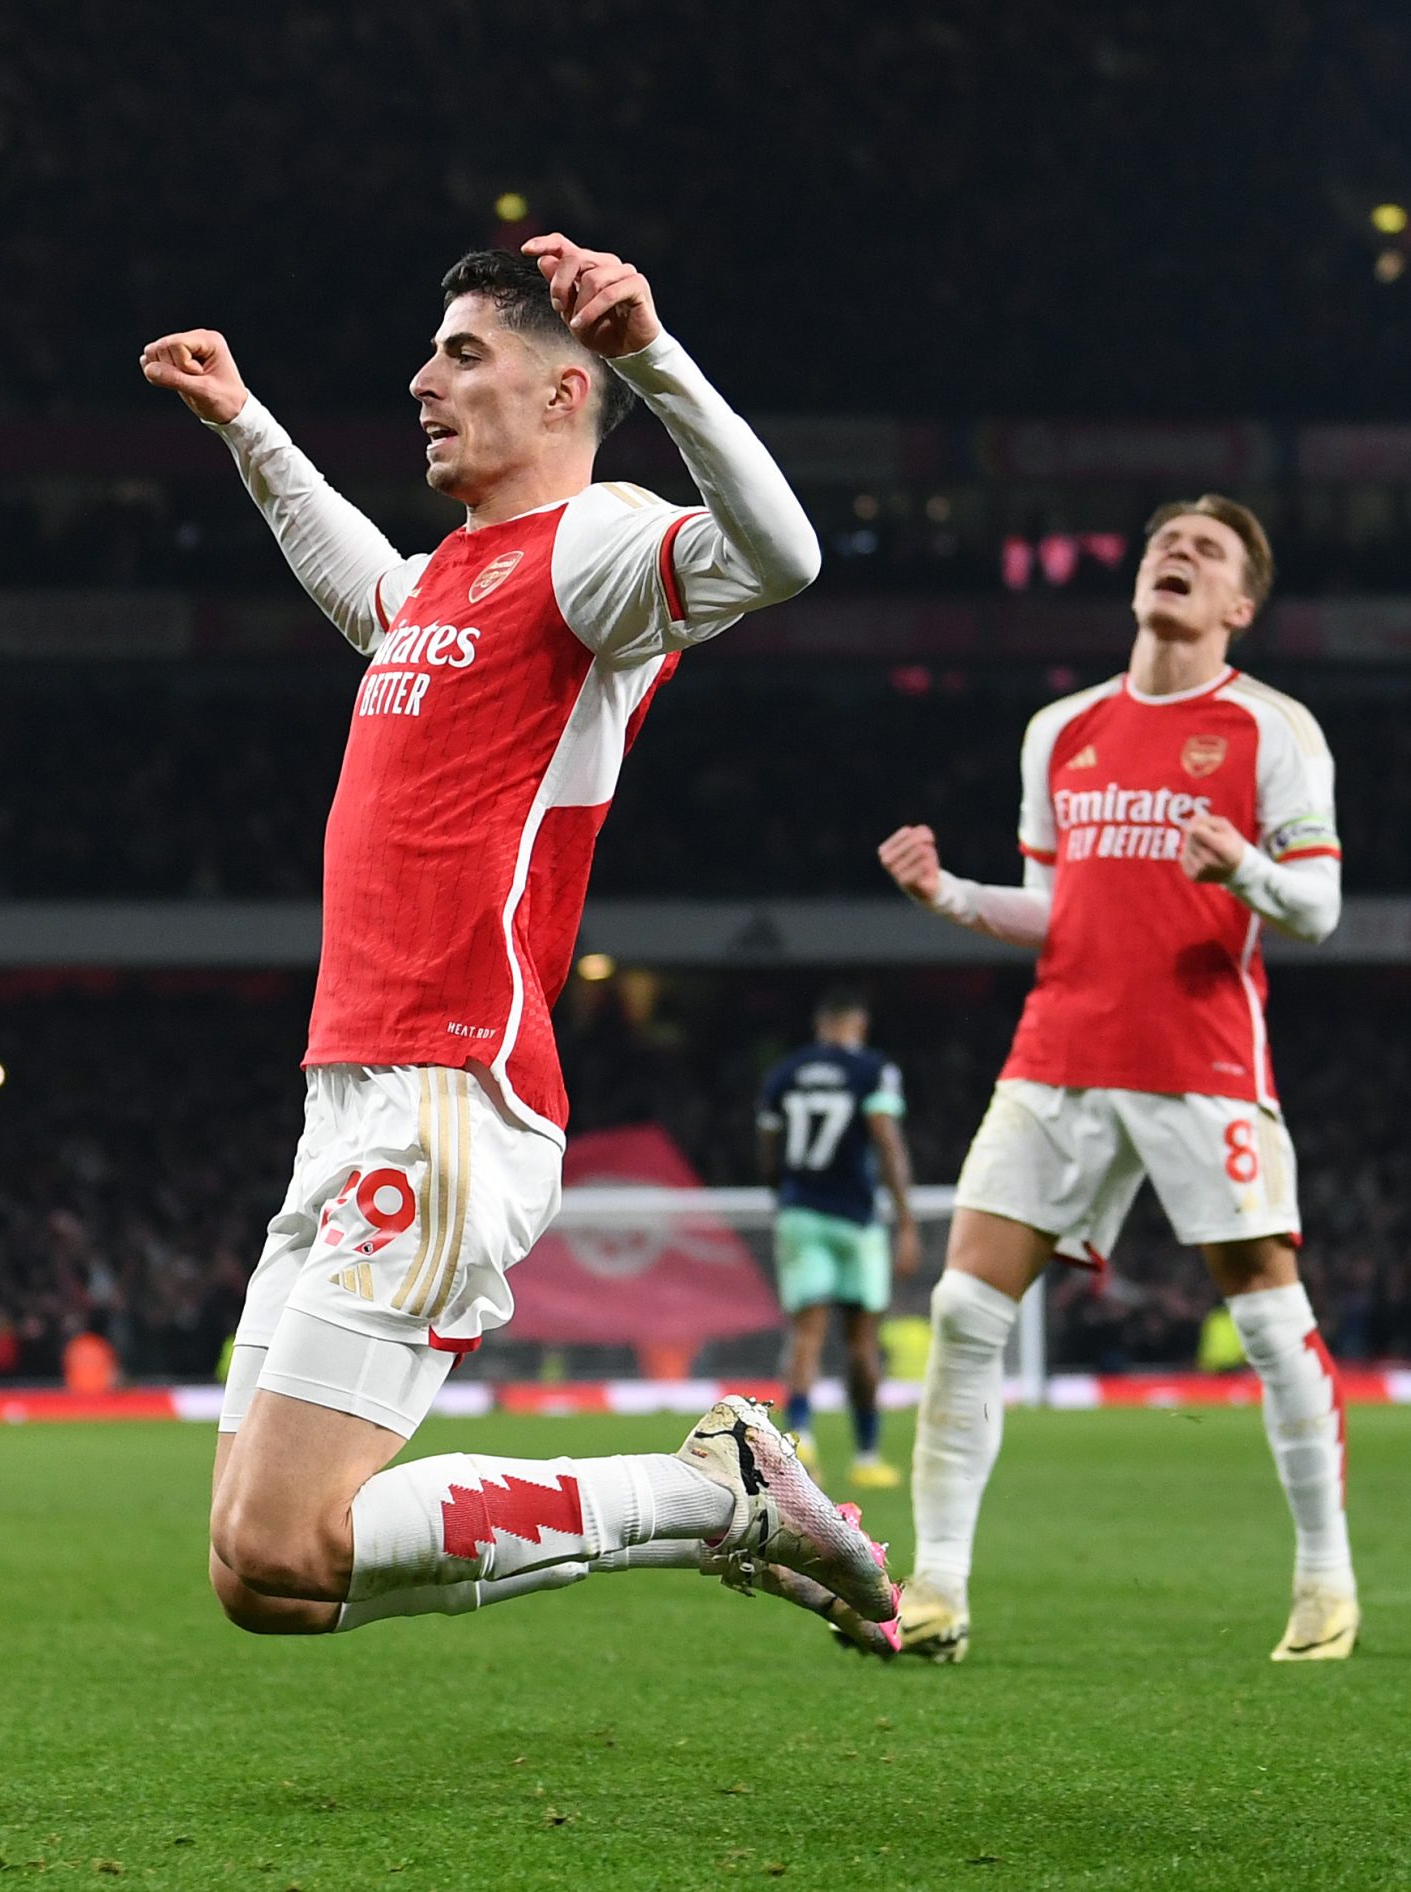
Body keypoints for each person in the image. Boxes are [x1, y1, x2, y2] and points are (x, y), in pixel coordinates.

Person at [143, 234, 897, 1648]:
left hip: (447, 1089)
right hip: (349, 1092)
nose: (422, 378)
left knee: (282, 1538)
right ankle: (718, 1497)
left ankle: (719, 1501)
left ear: (564, 391)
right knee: (263, 1577)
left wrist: (651, 356)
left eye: (462, 352)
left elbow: (783, 556)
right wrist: (246, 426)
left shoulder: (595, 552)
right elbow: (356, 577)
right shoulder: (446, 582)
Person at [877, 495, 1357, 1664]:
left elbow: (1321, 907)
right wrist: (948, 893)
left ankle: (1324, 1578)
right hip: (1058, 1052)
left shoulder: (1271, 731)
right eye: (1162, 545)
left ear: (1240, 604)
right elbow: (1058, 909)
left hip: (1199, 1060)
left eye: (1206, 551)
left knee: (1269, 1324)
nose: (1176, 558)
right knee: (959, 1308)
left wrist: (1242, 862)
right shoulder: (1063, 730)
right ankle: (935, 1587)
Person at [755, 989, 916, 1486]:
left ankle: (800, 1438)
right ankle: (868, 1457)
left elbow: (767, 1143)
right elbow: (885, 1137)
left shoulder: (785, 1072)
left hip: (800, 1212)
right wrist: (905, 1220)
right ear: (857, 1024)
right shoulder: (872, 1069)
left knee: (806, 1334)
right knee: (861, 1342)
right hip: (855, 1217)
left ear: (821, 1023)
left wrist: (780, 1191)